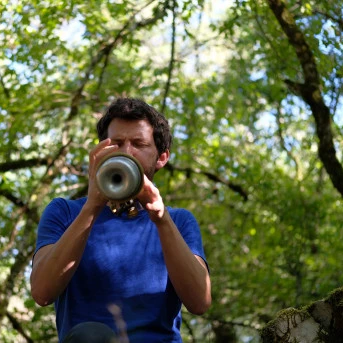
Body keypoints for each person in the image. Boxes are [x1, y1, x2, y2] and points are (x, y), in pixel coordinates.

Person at [30, 97, 211, 343]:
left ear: (162, 158)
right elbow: (42, 292)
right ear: (100, 151)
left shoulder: (178, 221)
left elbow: (200, 301)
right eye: (116, 143)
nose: (126, 152)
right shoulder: (65, 212)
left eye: (138, 143)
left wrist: (160, 217)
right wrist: (93, 205)